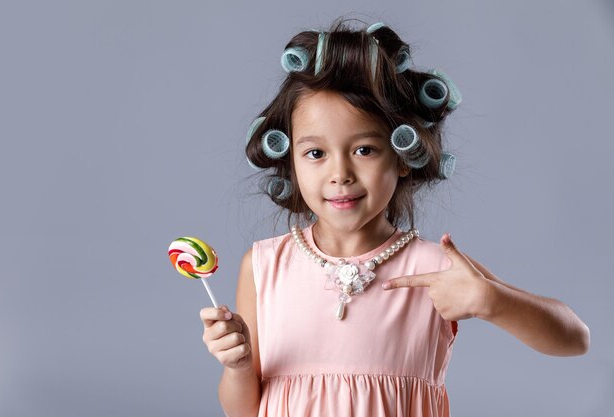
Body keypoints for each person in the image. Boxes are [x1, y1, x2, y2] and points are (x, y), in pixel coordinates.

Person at [199, 17, 590, 417]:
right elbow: (243, 411)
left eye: (364, 150)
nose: (340, 174)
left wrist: (491, 300)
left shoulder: (436, 270)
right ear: (293, 163)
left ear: (403, 155)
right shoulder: (263, 267)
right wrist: (239, 366)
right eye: (315, 153)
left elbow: (575, 338)